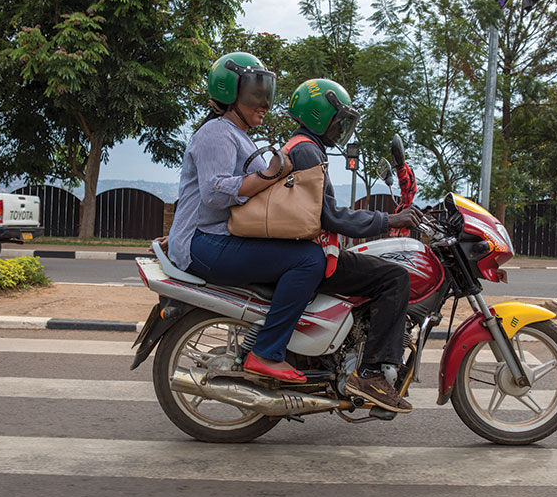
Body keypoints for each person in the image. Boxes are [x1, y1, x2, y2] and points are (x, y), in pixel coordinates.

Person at [163, 52, 327, 383]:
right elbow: (215, 192)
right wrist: (270, 173)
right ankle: (266, 353)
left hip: (215, 238)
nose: (264, 104)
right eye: (256, 95)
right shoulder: (217, 133)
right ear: (230, 93)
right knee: (308, 261)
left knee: (304, 255)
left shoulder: (238, 134)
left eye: (267, 94)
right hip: (205, 243)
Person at [286, 78, 422, 413]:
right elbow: (331, 215)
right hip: (314, 257)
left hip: (313, 252)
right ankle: (371, 374)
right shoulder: (306, 150)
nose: (342, 128)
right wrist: (388, 221)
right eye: (339, 119)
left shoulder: (304, 147)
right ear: (319, 115)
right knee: (394, 278)